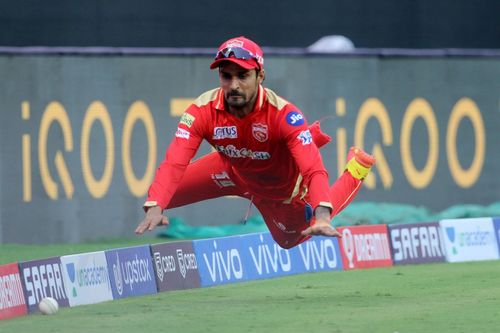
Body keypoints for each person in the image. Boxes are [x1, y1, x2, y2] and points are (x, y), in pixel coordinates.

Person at [135, 36, 375, 249]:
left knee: (291, 240)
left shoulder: (284, 115)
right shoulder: (201, 110)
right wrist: (155, 206)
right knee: (162, 197)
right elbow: (174, 162)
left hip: (279, 192)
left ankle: (356, 170)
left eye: (243, 75)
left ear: (260, 75)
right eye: (226, 76)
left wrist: (323, 216)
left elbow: (313, 170)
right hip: (232, 171)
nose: (234, 85)